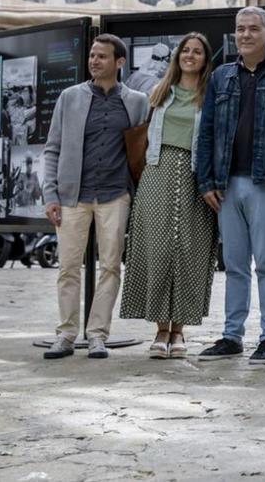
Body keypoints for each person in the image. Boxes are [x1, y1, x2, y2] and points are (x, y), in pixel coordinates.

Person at [195, 7, 265, 365]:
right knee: (234, 263)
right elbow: (206, 131)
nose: (246, 35)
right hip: (226, 184)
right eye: (240, 29)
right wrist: (206, 180)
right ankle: (232, 336)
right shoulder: (221, 76)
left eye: (254, 29)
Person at [41, 35, 149, 360]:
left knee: (111, 267)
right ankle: (66, 334)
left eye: (102, 56)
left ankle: (98, 335)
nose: (94, 61)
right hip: (73, 195)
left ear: (119, 62)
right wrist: (51, 194)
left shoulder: (137, 101)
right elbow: (52, 148)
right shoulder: (69, 97)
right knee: (68, 267)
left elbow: (142, 151)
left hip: (115, 195)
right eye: (92, 55)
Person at [120, 33, 218, 359]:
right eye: (185, 51)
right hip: (157, 173)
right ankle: (161, 329)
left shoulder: (211, 94)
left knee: (189, 252)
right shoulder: (159, 92)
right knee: (158, 250)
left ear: (205, 59)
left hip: (194, 176)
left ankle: (180, 332)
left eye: (197, 52)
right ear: (177, 57)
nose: (190, 56)